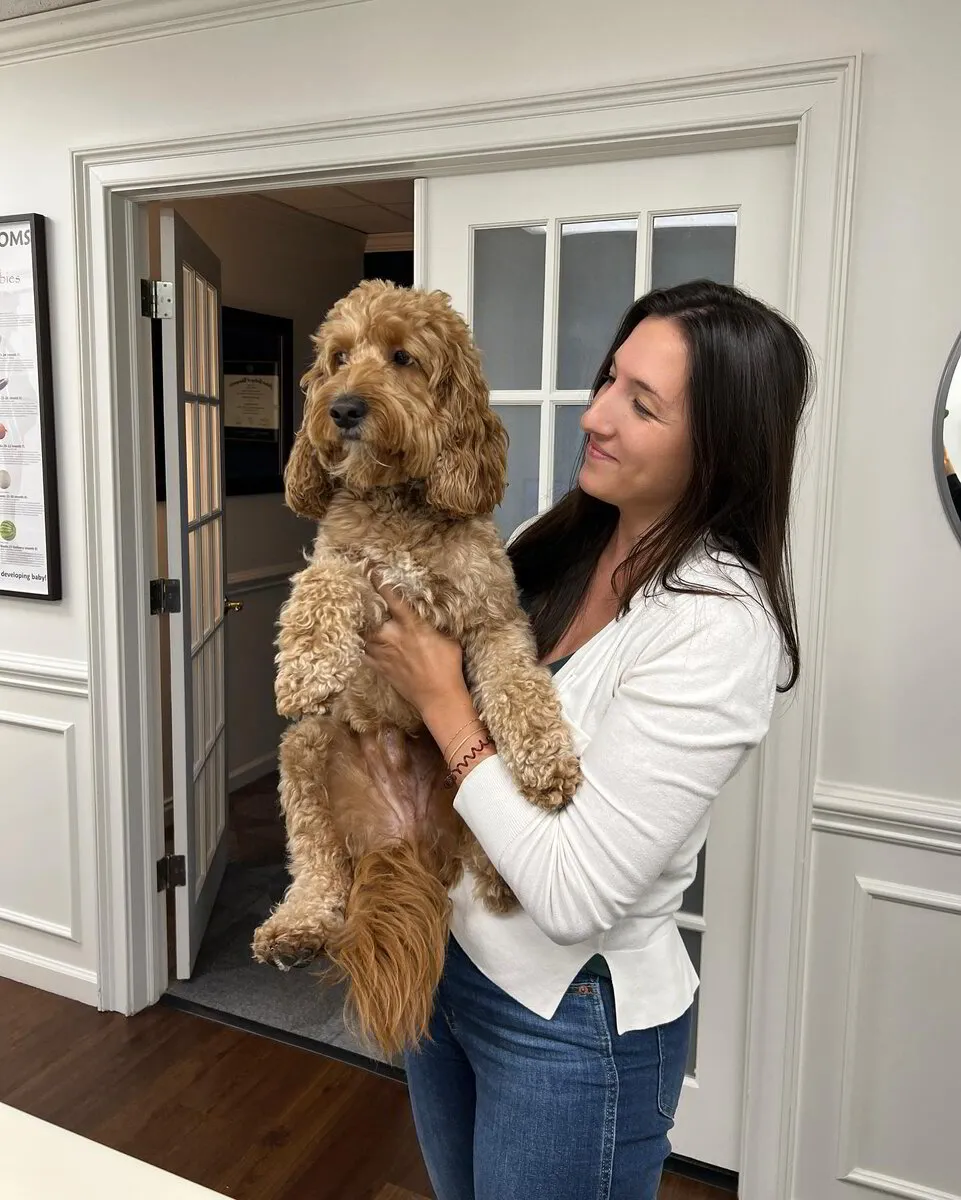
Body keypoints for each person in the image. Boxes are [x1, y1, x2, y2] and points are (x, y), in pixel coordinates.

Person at [362, 279, 814, 1200]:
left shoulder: (719, 625)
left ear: (718, 449)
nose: (595, 415)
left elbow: (575, 895)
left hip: (569, 1024)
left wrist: (443, 701)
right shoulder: (551, 542)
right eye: (609, 378)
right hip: (445, 967)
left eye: (640, 405)